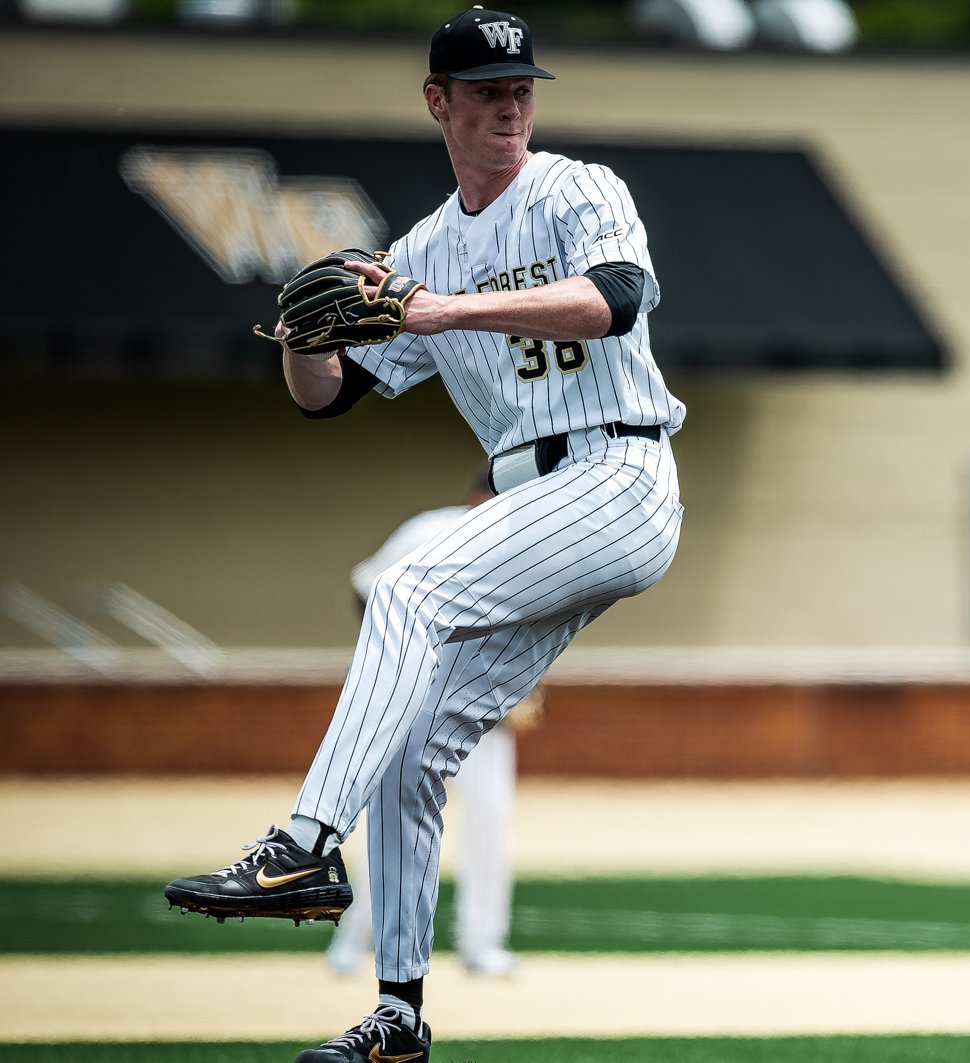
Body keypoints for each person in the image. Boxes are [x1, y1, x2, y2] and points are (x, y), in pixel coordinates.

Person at [164, 7, 686, 1062]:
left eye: (521, 89)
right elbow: (331, 395)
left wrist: (436, 313)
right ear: (437, 102)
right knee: (413, 752)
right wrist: (301, 335)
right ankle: (397, 1019)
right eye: (487, 91)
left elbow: (615, 301)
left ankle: (302, 846)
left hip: (618, 472)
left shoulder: (573, 188)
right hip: (534, 499)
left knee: (409, 588)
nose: (509, 108)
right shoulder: (423, 249)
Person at [326, 471, 543, 980]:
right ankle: (356, 941)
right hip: (417, 703)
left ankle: (481, 945)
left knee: (491, 823)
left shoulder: (532, 549)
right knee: (397, 822)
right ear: (479, 497)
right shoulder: (430, 531)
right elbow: (366, 586)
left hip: (484, 709)